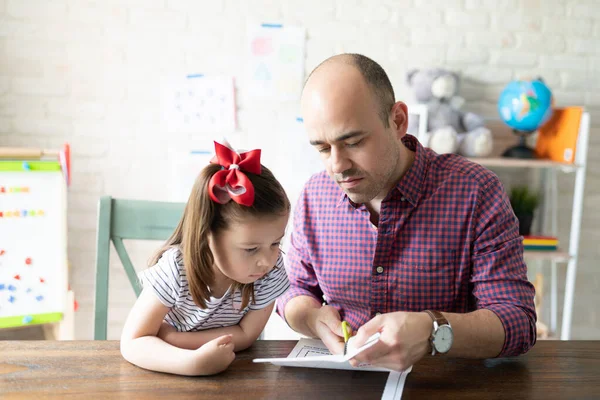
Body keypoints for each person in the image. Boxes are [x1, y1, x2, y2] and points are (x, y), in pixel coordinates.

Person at [276, 54, 536, 372]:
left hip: (443, 388)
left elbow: (517, 321)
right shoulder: (314, 197)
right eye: (322, 148)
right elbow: (295, 290)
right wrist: (311, 318)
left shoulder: (476, 192)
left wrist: (433, 331)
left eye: (354, 142)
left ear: (398, 120)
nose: (337, 166)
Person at [121, 141, 290, 376]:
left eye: (275, 243)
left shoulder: (270, 272)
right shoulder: (175, 269)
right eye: (250, 249)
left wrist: (173, 338)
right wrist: (192, 363)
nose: (267, 260)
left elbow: (247, 335)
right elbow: (133, 341)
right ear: (208, 234)